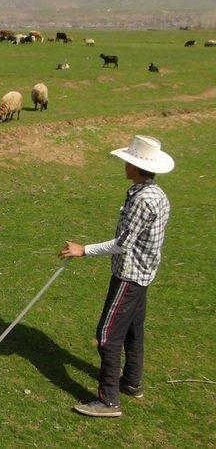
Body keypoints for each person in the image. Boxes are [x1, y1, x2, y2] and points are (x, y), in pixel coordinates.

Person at [59, 135, 174, 418]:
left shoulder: (142, 201)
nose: (124, 165)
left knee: (107, 336)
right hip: (144, 274)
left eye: (128, 161)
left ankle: (108, 401)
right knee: (133, 331)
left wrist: (82, 250)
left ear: (136, 167)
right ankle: (132, 382)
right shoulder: (156, 194)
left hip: (130, 276)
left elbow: (122, 243)